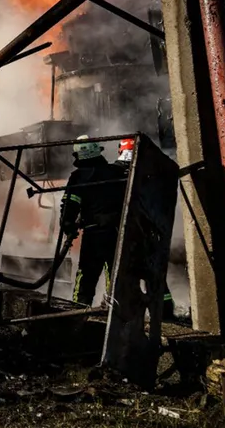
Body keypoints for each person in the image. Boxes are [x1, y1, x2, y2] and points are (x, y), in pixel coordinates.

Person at [112, 137, 176, 320]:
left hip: (129, 236)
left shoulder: (117, 174)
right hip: (148, 234)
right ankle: (164, 313)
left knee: (127, 275)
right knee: (153, 276)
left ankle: (127, 314)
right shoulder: (151, 175)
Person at [60, 135, 128, 308]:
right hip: (116, 233)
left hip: (94, 234)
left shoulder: (78, 177)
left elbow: (70, 205)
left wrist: (68, 225)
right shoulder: (116, 172)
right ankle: (114, 313)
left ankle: (78, 312)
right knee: (114, 275)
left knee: (86, 277)